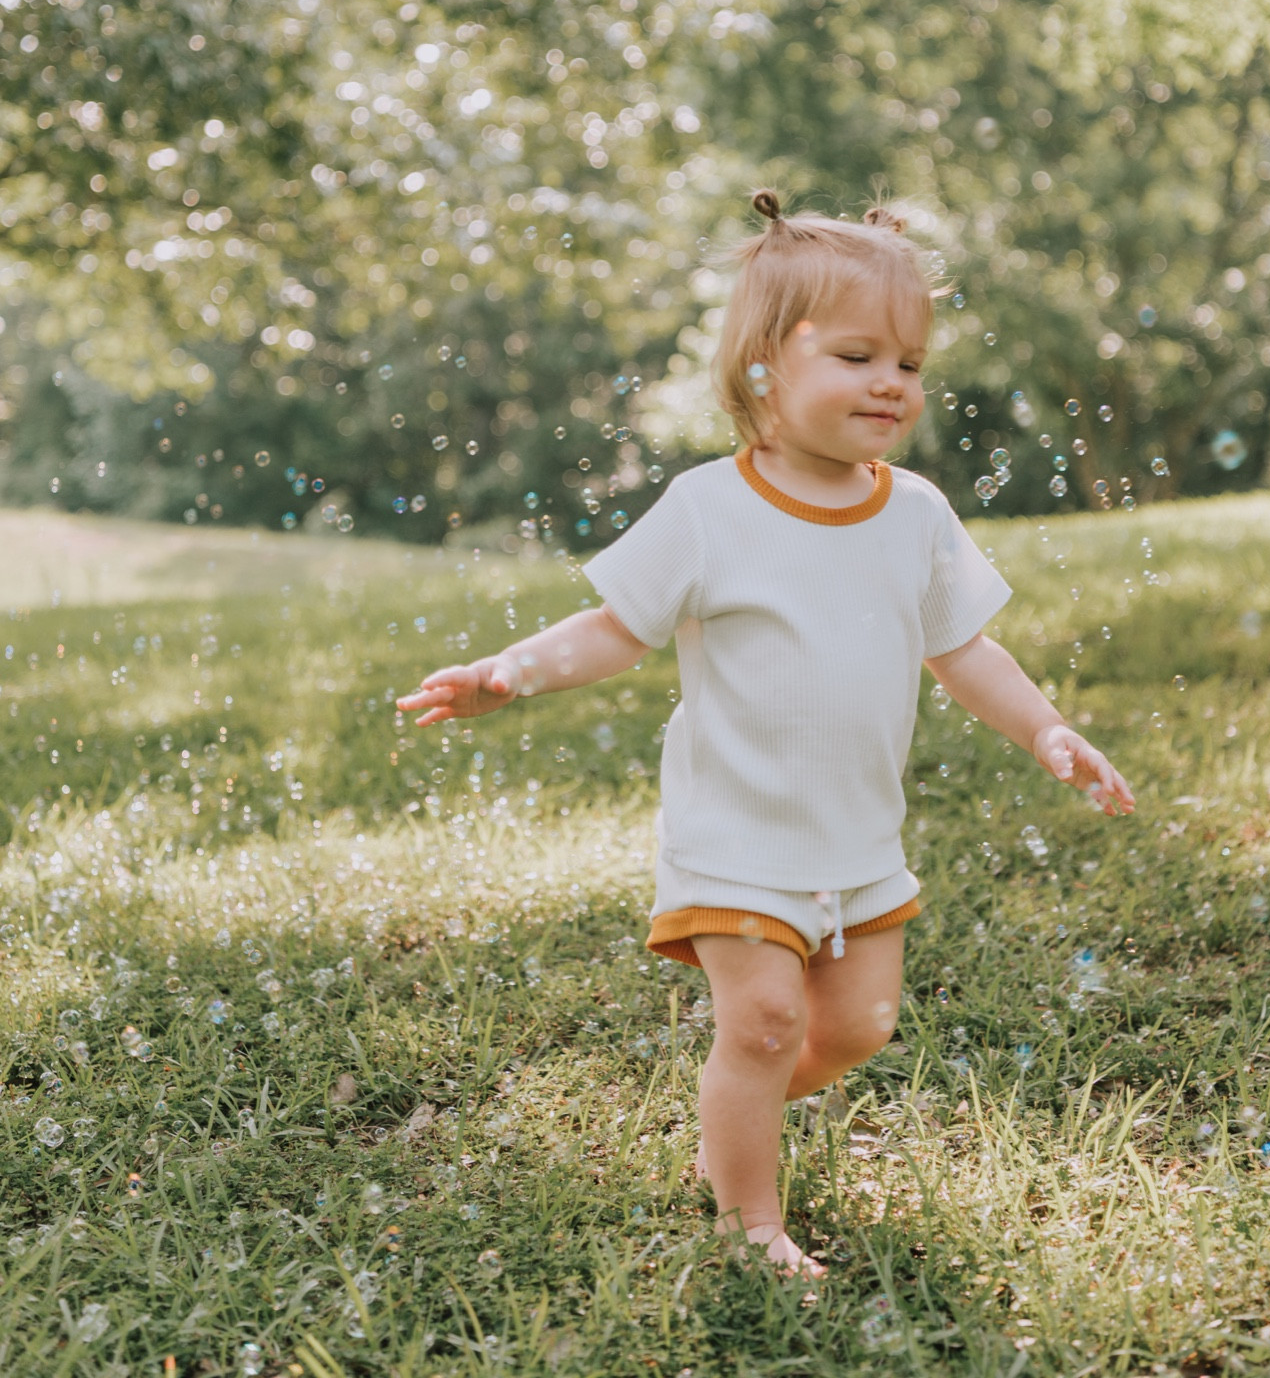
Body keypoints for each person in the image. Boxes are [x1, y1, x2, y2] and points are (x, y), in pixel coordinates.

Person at [400, 190, 1135, 1278]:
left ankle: (727, 1118)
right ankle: (752, 1222)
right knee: (760, 1024)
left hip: (856, 842)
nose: (891, 381)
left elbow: (963, 648)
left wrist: (1047, 728)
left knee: (855, 1028)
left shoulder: (917, 513)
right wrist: (507, 672)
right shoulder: (710, 508)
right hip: (734, 835)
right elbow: (616, 625)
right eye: (855, 354)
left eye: (909, 361)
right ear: (761, 368)